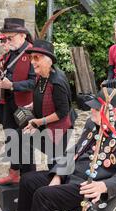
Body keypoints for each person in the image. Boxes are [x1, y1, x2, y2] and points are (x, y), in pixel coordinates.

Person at [0, 18, 36, 185]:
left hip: (25, 105)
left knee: (25, 143)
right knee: (11, 138)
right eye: (6, 37)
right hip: (8, 103)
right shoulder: (11, 52)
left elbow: (35, 82)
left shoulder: (33, 53)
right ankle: (14, 173)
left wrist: (12, 85)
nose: (7, 41)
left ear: (22, 35)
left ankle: (30, 180)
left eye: (10, 37)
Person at [22, 39, 74, 170]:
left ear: (48, 60)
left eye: (36, 58)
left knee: (56, 163)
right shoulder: (42, 76)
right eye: (31, 57)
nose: (32, 61)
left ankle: (59, 186)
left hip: (59, 128)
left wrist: (39, 122)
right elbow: (43, 94)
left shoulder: (57, 82)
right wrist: (33, 104)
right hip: (46, 125)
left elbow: (62, 112)